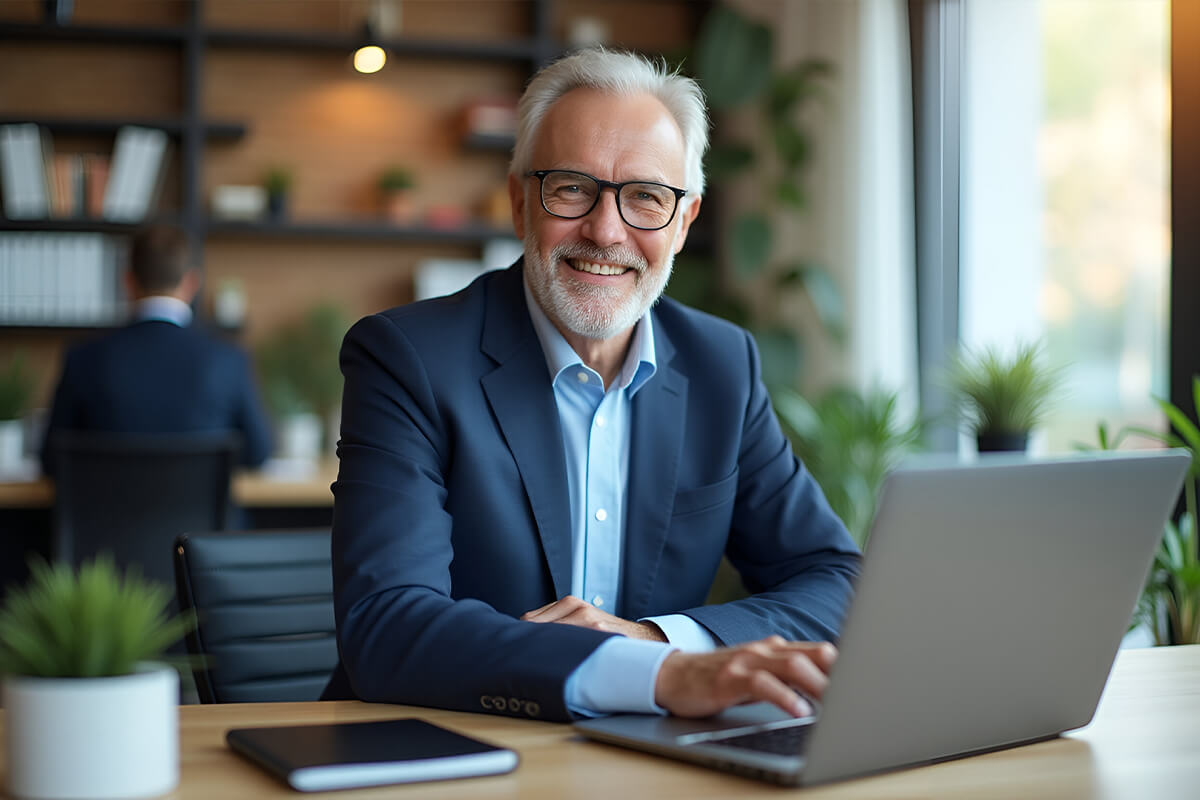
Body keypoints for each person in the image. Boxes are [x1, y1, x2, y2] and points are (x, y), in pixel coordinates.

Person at [323, 49, 861, 722]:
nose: (606, 232)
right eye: (572, 188)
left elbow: (837, 579)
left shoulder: (722, 364)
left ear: (684, 222)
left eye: (645, 197)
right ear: (521, 203)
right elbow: (386, 626)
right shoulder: (408, 358)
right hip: (438, 749)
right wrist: (656, 677)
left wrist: (657, 647)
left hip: (645, 756)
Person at [41, 226, 272, 473]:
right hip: (196, 511)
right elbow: (259, 453)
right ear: (192, 283)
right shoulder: (228, 361)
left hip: (110, 511)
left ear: (128, 281)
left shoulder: (83, 360)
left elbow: (51, 460)